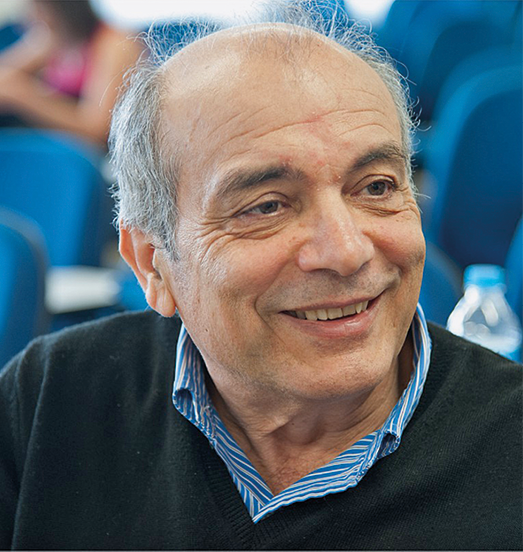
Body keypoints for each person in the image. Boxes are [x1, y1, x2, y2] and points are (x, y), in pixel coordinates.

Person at [1, 5, 523, 550]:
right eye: (267, 206)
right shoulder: (50, 403)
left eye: (376, 187)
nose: (345, 252)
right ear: (152, 263)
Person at [0, 0, 142, 145]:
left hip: (102, 154)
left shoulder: (114, 43)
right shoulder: (52, 39)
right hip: (62, 145)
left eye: (38, 7)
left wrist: (23, 95)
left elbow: (98, 130)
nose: (30, 16)